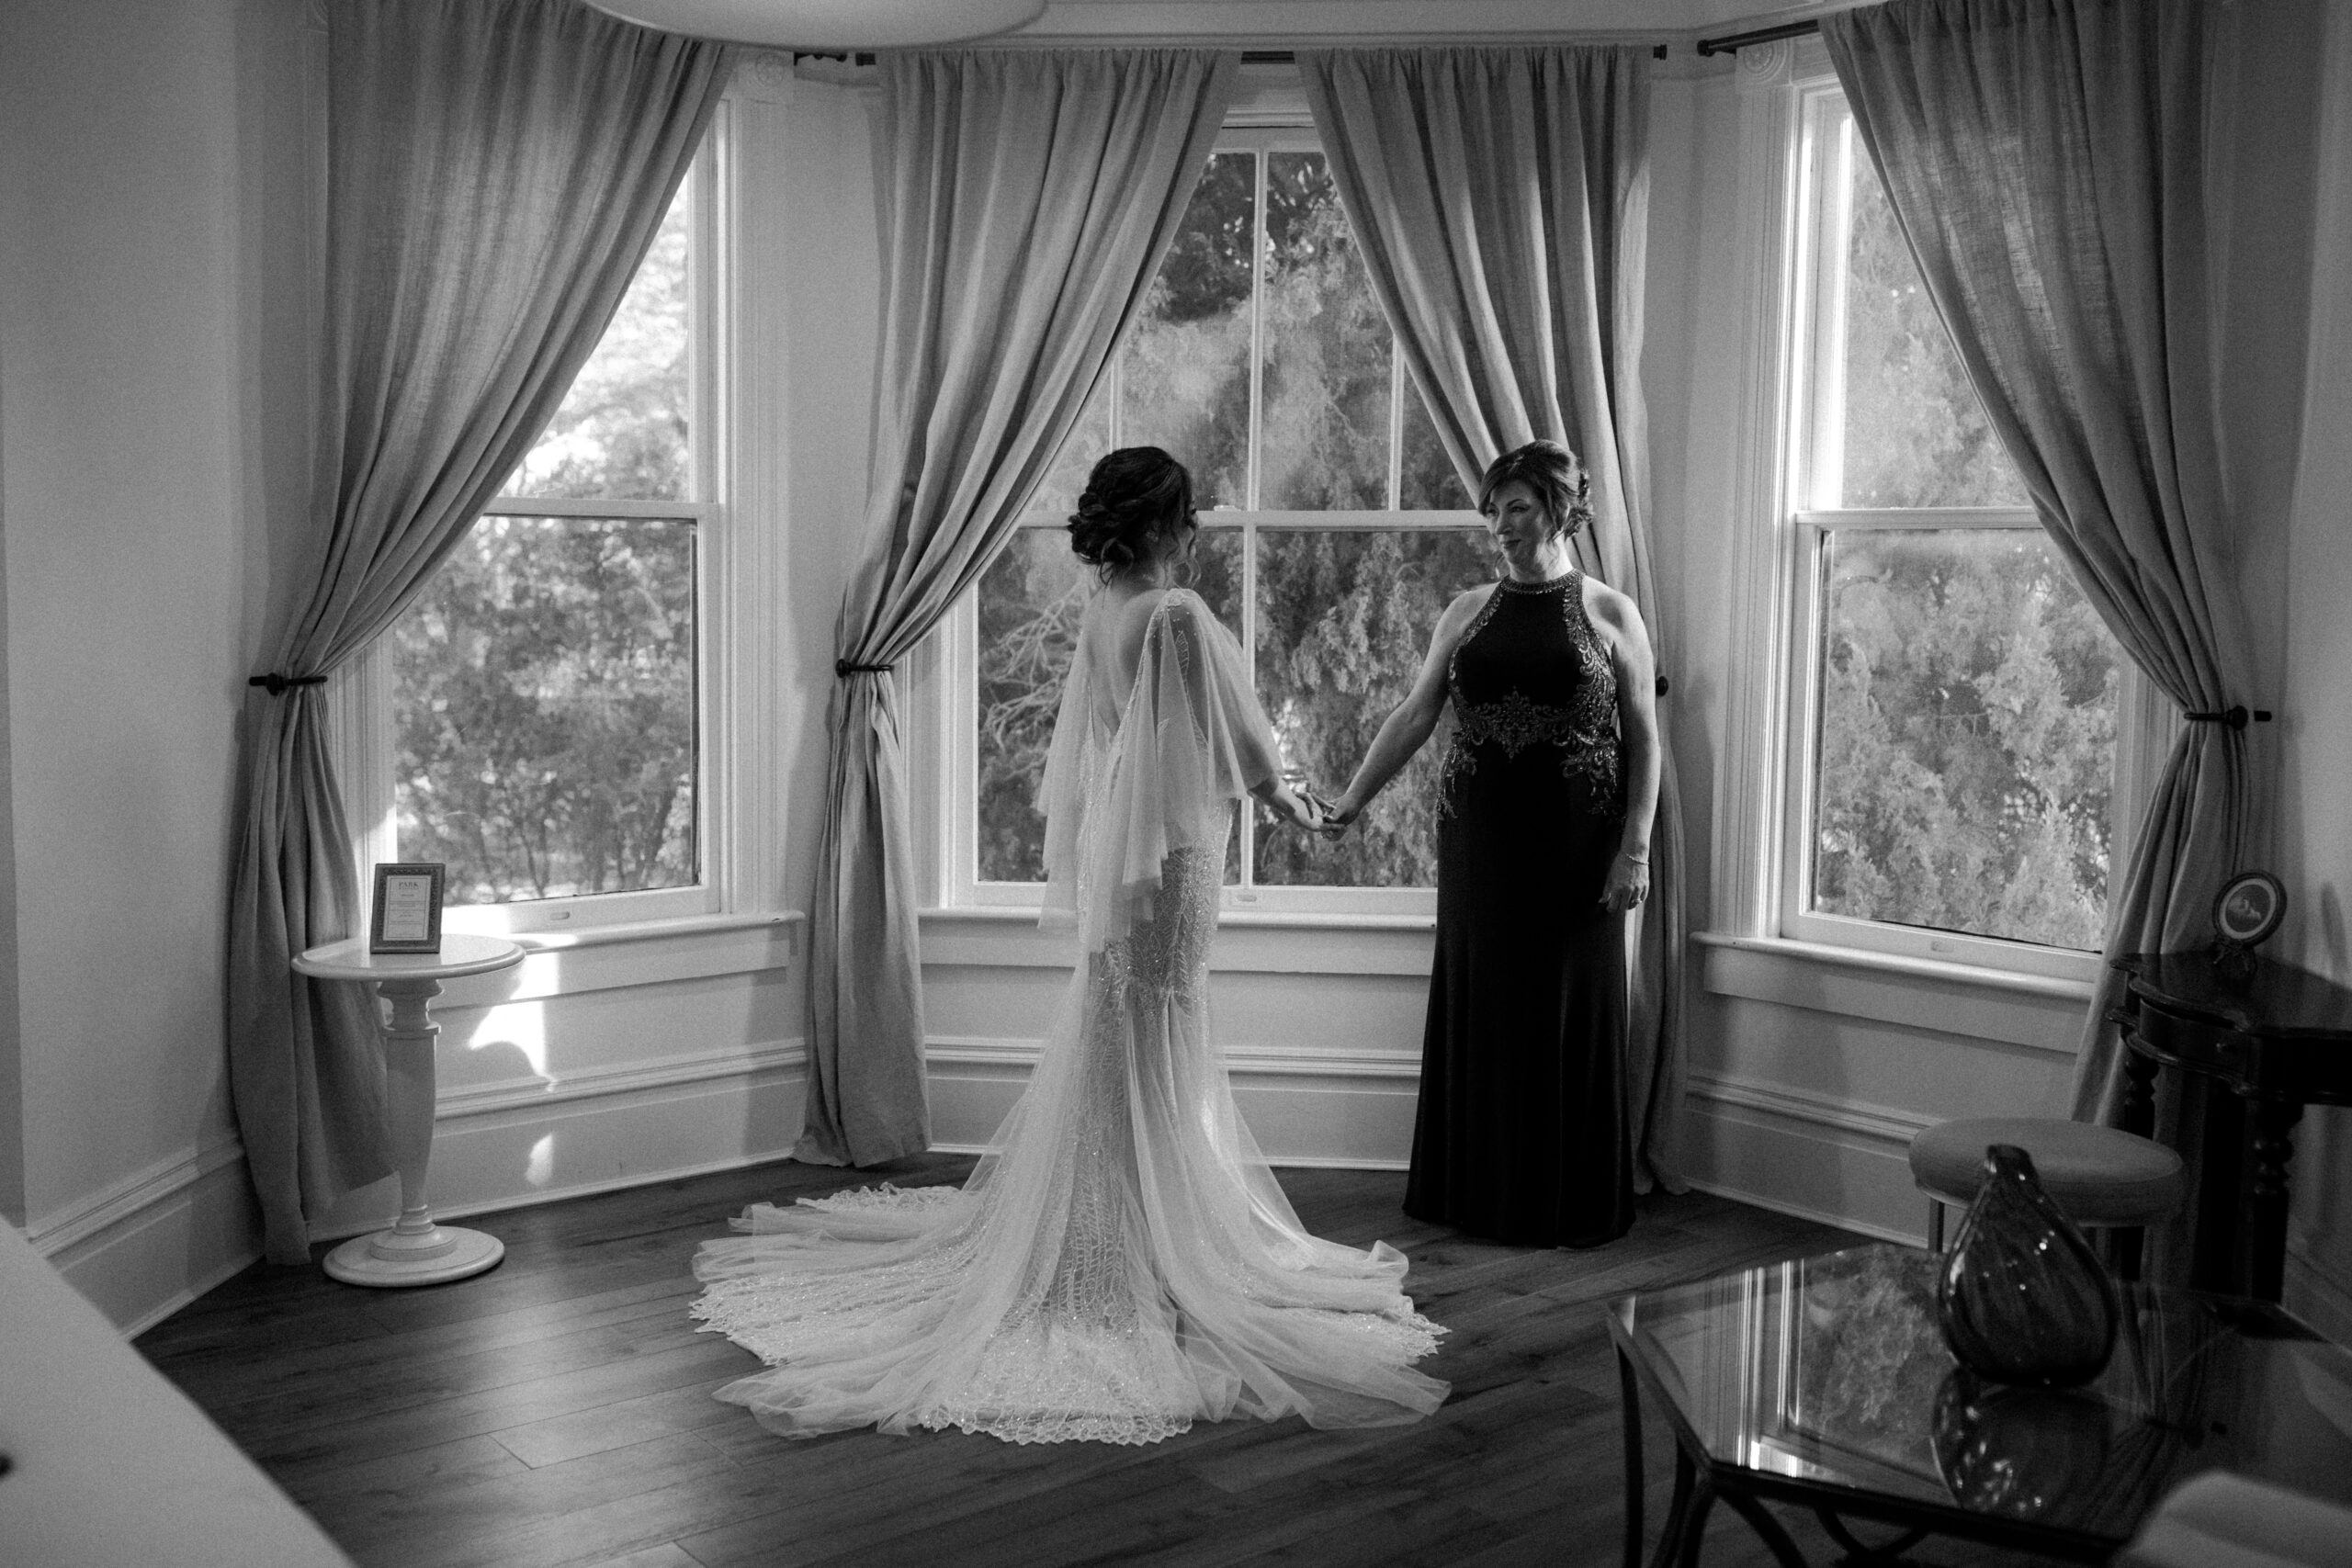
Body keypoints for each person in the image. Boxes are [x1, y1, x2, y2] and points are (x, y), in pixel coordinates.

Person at [692, 446, 1447, 1444]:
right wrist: (1298, 807)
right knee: (1156, 1027)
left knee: (1124, 1032)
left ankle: (1118, 1221)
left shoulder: (1108, 609)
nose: (1199, 530)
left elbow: (1133, 740)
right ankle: (1145, 1242)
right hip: (1170, 862)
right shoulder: (1172, 614)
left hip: (1124, 858)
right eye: (1190, 515)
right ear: (1160, 522)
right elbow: (1235, 738)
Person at [1324, 439, 1659, 1247]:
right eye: (1493, 509)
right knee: (1488, 1007)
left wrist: (1635, 849)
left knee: (1565, 1012)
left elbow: (1646, 740)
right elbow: (1413, 717)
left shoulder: (1610, 612)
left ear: (1560, 511)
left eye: (1518, 508)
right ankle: (1477, 1195)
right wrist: (1350, 803)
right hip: (1480, 843)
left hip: (1580, 850)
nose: (1501, 526)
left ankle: (1567, 1200)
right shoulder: (1466, 611)